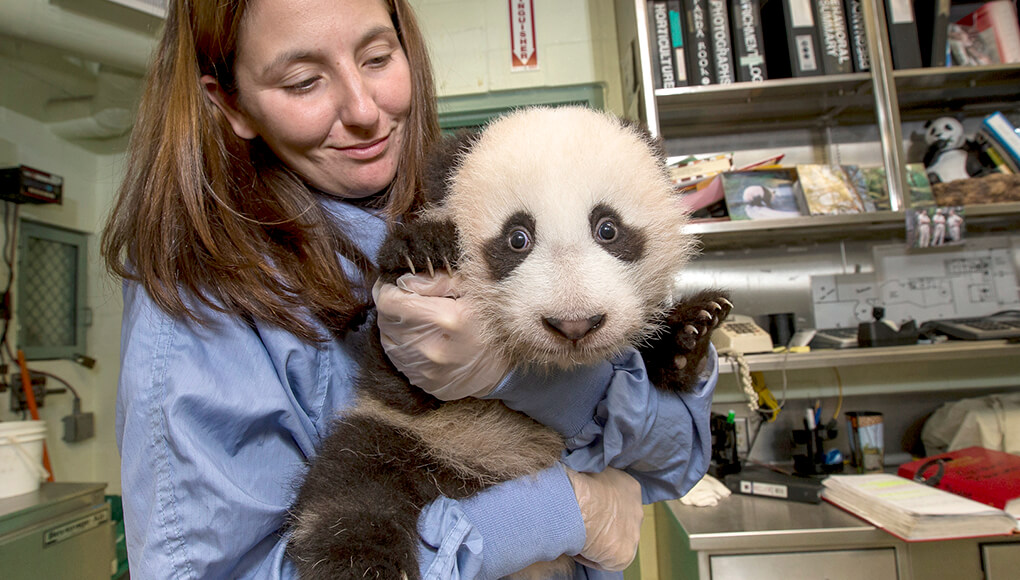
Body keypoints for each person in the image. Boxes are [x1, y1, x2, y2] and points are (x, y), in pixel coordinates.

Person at [101, 0, 719, 578]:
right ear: (231, 104)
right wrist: (565, 510)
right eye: (302, 81)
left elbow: (678, 456)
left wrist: (526, 379)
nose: (365, 109)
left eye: (377, 58)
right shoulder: (195, 302)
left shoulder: (449, 197)